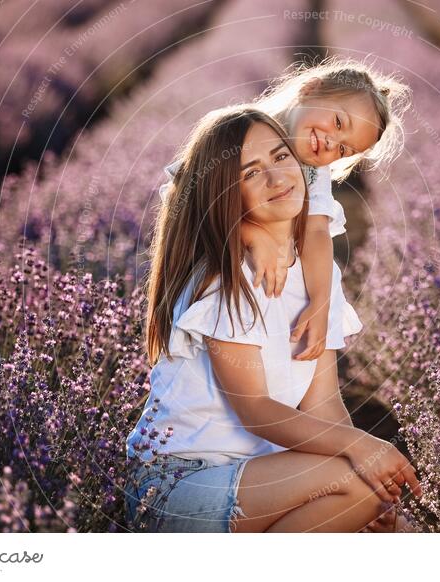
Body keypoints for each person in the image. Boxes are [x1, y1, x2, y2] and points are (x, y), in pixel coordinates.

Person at [124, 106, 420, 532]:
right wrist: (361, 449)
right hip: (179, 483)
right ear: (226, 193)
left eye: (282, 157)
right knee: (358, 484)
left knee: (381, 512)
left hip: (263, 476)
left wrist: (369, 476)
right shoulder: (226, 277)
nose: (277, 178)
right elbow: (257, 411)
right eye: (251, 172)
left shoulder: (319, 276)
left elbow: (323, 403)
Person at [158, 57, 411, 362]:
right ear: (311, 88)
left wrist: (320, 303)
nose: (332, 143)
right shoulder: (240, 130)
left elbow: (317, 232)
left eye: (344, 149)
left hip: (262, 287)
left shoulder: (315, 174)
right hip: (215, 273)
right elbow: (184, 195)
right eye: (339, 122)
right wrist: (249, 232)